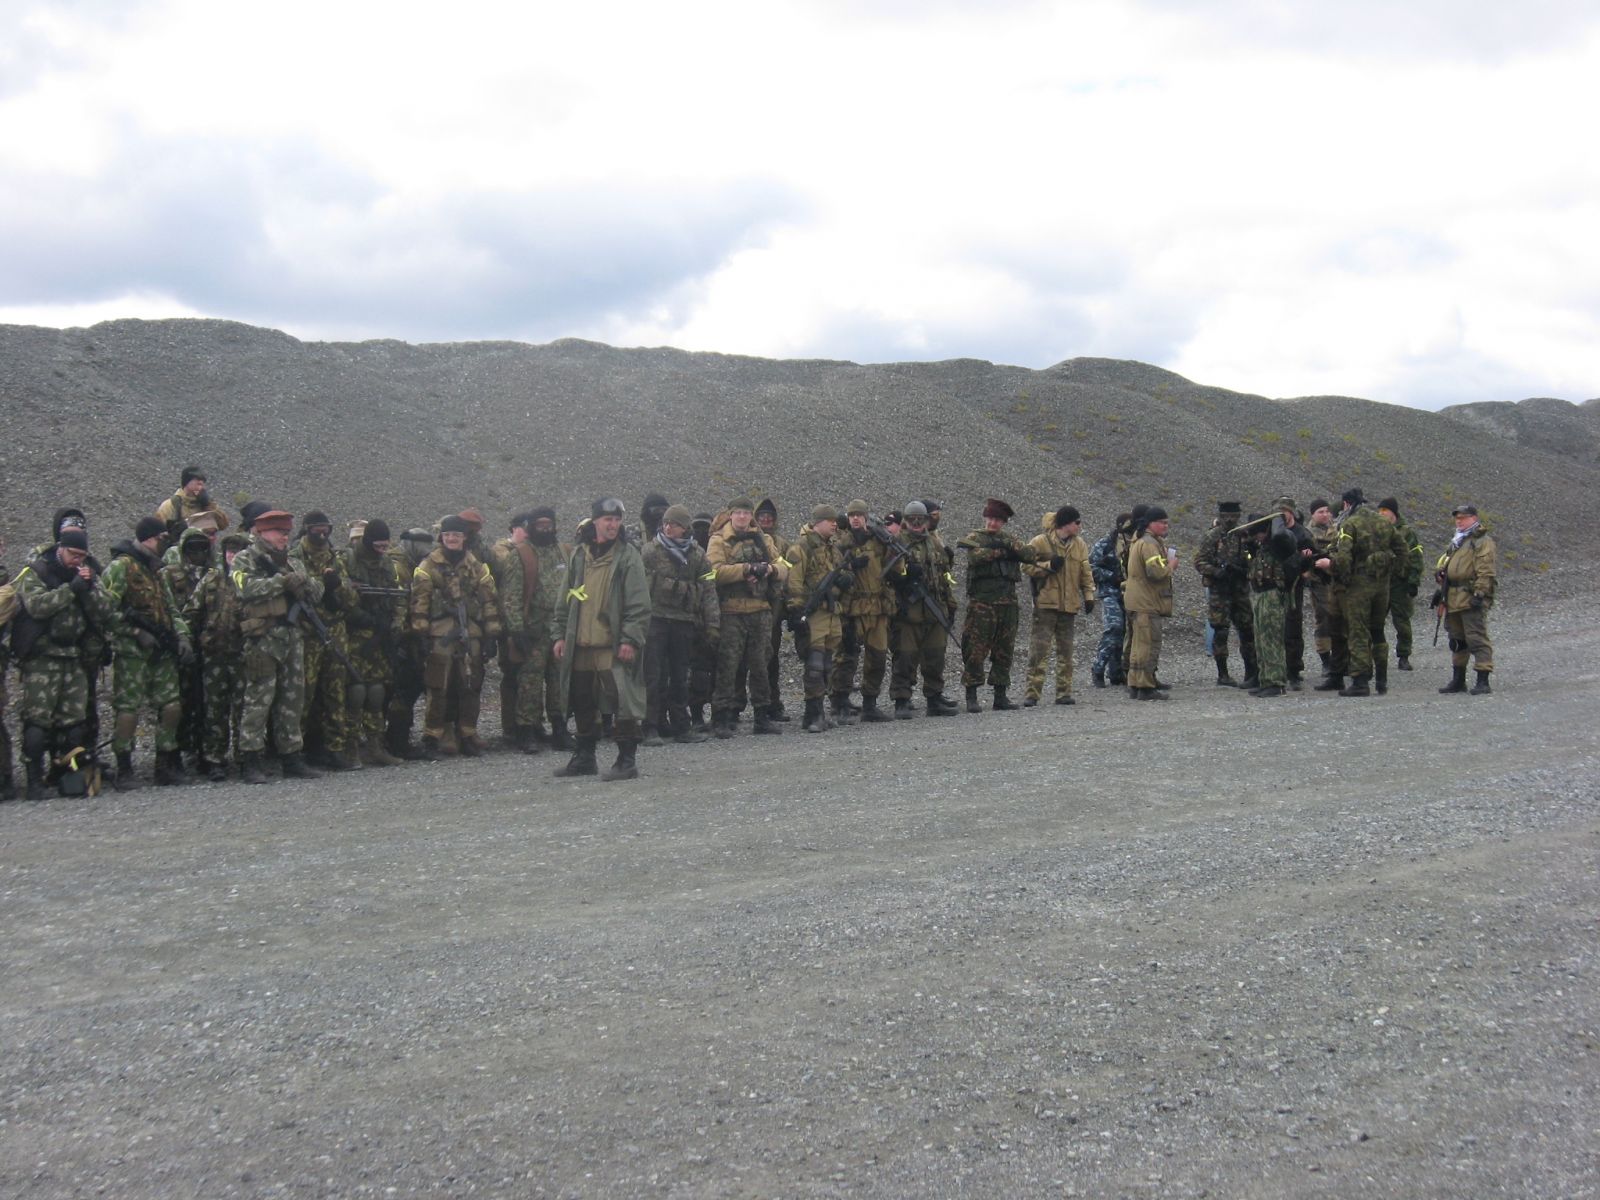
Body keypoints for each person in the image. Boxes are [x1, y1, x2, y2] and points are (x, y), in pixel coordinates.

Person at [551, 497, 651, 780]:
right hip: (581, 644)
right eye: (608, 519)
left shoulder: (628, 556)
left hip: (612, 644)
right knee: (582, 699)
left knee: (623, 701)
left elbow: (639, 603)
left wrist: (630, 639)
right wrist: (559, 635)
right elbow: (565, 598)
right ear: (595, 521)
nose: (613, 525)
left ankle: (626, 760)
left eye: (617, 520)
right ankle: (584, 757)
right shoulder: (579, 555)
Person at [10, 529, 112, 800]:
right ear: (60, 549)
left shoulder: (86, 574)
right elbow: (37, 606)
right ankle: (34, 782)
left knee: (74, 721)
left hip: (73, 656)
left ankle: (68, 778)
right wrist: (71, 589)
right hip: (42, 659)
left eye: (82, 556)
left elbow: (106, 610)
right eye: (73, 555)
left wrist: (88, 589)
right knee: (37, 720)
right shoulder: (37, 572)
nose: (77, 561)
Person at [230, 509, 324, 784]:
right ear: (262, 532)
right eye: (279, 532)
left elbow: (317, 592)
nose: (284, 537)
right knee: (258, 699)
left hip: (292, 636)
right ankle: (250, 758)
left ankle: (291, 755)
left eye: (286, 533)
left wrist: (304, 583)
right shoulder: (245, 559)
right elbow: (244, 587)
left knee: (293, 698)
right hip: (263, 638)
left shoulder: (293, 561)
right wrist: (281, 582)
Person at [100, 516, 192, 789]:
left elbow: (170, 609)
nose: (165, 543)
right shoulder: (121, 567)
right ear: (149, 538)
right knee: (128, 709)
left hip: (162, 651)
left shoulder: (156, 571)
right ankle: (124, 766)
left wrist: (181, 635)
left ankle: (164, 763)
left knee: (171, 706)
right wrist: (135, 632)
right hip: (132, 653)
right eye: (162, 538)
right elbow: (104, 609)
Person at [409, 514, 502, 757]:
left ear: (464, 538)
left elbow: (489, 601)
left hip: (470, 632)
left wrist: (492, 635)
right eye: (448, 535)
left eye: (457, 535)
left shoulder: (476, 566)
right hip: (440, 633)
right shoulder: (428, 565)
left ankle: (467, 733)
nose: (452, 539)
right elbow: (420, 602)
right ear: (441, 537)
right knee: (438, 685)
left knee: (471, 684)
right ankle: (432, 735)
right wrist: (420, 634)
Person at [706, 498, 789, 738]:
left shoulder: (764, 539)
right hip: (731, 611)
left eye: (746, 513)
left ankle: (762, 715)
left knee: (761, 664)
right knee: (728, 665)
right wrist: (746, 570)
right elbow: (713, 572)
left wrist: (769, 570)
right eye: (738, 513)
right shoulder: (719, 540)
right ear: (731, 515)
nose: (742, 517)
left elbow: (784, 567)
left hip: (760, 610)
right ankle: (721, 716)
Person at [641, 504, 719, 744]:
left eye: (673, 524)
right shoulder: (650, 552)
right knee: (653, 675)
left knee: (679, 675)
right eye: (666, 523)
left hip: (684, 621)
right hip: (656, 620)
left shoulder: (697, 555)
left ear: (685, 528)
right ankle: (650, 725)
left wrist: (712, 624)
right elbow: (638, 588)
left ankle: (681, 726)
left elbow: (708, 591)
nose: (668, 527)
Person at [290, 510, 362, 769]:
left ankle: (335, 748)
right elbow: (304, 591)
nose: (322, 534)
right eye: (317, 529)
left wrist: (337, 587)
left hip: (334, 630)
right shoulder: (295, 557)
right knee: (304, 694)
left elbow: (352, 599)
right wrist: (323, 584)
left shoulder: (335, 557)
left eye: (326, 529)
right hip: (308, 632)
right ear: (306, 529)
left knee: (336, 691)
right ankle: (296, 750)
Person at [957, 498, 1042, 712]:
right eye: (991, 518)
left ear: (1003, 523)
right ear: (985, 518)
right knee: (975, 649)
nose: (993, 523)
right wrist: (1001, 552)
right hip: (982, 604)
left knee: (1005, 650)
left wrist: (1009, 546)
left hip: (1007, 603)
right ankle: (972, 695)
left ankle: (1000, 695)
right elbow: (975, 557)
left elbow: (1030, 554)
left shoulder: (1008, 539)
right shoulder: (975, 537)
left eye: (998, 520)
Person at [183, 530, 251, 781]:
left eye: (237, 551)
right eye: (229, 552)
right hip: (214, 654)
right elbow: (191, 611)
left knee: (244, 708)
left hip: (243, 654)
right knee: (214, 709)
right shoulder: (211, 579)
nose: (232, 556)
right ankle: (215, 759)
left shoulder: (251, 580)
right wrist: (187, 640)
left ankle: (245, 758)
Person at [886, 501, 960, 718]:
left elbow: (944, 577)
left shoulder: (934, 543)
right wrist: (905, 575)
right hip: (908, 611)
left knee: (935, 655)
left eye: (921, 520)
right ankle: (902, 700)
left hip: (934, 609)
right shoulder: (897, 543)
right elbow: (888, 574)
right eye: (912, 520)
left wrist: (950, 605)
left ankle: (934, 698)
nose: (917, 523)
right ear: (905, 521)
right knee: (905, 657)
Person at [1328, 487, 1403, 697]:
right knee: (1378, 630)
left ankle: (1360, 681)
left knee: (1358, 630)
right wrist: (1392, 574)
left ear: (1346, 504)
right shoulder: (1383, 522)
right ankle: (1382, 680)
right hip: (1382, 585)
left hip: (1359, 586)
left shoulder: (1350, 524)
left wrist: (1342, 578)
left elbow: (1344, 557)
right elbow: (1402, 549)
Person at [343, 519, 406, 766]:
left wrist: (394, 623)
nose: (382, 550)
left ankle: (375, 745)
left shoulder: (387, 564)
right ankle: (350, 747)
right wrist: (362, 616)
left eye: (385, 546)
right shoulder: (348, 560)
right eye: (378, 546)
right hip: (355, 635)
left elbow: (397, 596)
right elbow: (341, 595)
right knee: (355, 691)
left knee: (377, 691)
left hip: (380, 635)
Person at [785, 505, 852, 733]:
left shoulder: (833, 549)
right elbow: (794, 582)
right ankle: (813, 714)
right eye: (829, 520)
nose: (834, 524)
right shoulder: (802, 547)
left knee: (826, 664)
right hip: (813, 613)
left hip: (832, 612)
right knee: (814, 665)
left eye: (835, 521)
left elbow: (844, 571)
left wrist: (845, 579)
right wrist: (796, 611)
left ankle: (818, 713)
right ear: (817, 523)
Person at [1023, 505, 1095, 706]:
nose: (1080, 526)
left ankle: (1064, 693)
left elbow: (1085, 572)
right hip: (1045, 605)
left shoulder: (1080, 545)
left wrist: (1089, 596)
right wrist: (1048, 566)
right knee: (1039, 651)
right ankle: (1032, 694)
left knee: (1066, 652)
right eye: (1077, 522)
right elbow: (1025, 565)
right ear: (1066, 524)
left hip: (1069, 606)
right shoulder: (1040, 542)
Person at [830, 500, 893, 724]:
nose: (855, 518)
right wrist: (850, 566)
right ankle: (839, 702)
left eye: (859, 515)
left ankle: (870, 704)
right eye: (851, 515)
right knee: (846, 656)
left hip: (877, 607)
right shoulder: (841, 542)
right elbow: (831, 571)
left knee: (877, 656)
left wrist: (891, 542)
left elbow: (893, 566)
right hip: (852, 608)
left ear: (866, 517)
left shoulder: (878, 540)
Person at [1434, 504, 1497, 695]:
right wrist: (1442, 580)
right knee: (1457, 640)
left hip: (1470, 596)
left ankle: (1483, 680)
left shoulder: (1481, 541)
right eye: (1457, 518)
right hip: (1453, 597)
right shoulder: (1458, 541)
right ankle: (1458, 680)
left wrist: (1479, 594)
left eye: (1463, 517)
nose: (1459, 521)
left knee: (1476, 637)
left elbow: (1486, 571)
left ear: (1474, 519)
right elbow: (1448, 565)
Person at [1193, 501, 1257, 688]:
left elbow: (1254, 558)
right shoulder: (1212, 536)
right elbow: (1200, 562)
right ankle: (1223, 674)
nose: (1229, 520)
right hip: (1219, 591)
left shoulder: (1244, 535)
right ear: (1220, 516)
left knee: (1247, 630)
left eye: (1233, 516)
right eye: (1226, 516)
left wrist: (1244, 568)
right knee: (1221, 630)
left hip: (1240, 590)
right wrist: (1216, 571)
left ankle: (1251, 672)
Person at [384, 527, 434, 759]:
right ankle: (397, 742)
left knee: (409, 686)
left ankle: (399, 739)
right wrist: (403, 636)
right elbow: (399, 605)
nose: (427, 551)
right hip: (399, 637)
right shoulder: (397, 567)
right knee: (402, 689)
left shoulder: (411, 565)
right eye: (422, 546)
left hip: (409, 635)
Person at [1123, 508, 1177, 700]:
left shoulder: (1140, 541)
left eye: (1167, 522)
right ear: (1150, 523)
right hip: (1146, 602)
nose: (1165, 526)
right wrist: (1171, 566)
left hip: (1138, 601)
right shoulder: (1149, 543)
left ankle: (1135, 683)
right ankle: (1145, 687)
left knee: (1138, 645)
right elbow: (1155, 572)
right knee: (1148, 644)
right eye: (1162, 522)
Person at [753, 498, 792, 723]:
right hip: (751, 608)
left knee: (772, 658)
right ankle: (735, 707)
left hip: (775, 609)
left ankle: (773, 703)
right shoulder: (750, 540)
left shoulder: (782, 544)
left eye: (769, 517)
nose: (766, 520)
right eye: (762, 516)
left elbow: (790, 574)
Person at [1378, 498, 1424, 670]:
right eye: (1380, 511)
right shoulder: (1377, 530)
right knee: (1375, 621)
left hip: (1400, 583)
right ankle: (1376, 655)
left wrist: (1413, 582)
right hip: (1380, 583)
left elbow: (1416, 558)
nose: (1382, 514)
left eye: (1385, 510)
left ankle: (1404, 656)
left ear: (1394, 512)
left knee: (1402, 622)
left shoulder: (1406, 532)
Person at [1088, 513, 1130, 689]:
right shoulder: (1105, 545)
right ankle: (1098, 668)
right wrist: (1112, 576)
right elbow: (1090, 568)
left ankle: (1116, 672)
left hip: (1128, 593)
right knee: (1114, 627)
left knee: (1124, 632)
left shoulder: (1134, 544)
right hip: (1109, 592)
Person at [155, 466, 229, 543]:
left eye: (202, 481)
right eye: (196, 480)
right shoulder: (170, 505)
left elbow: (223, 525)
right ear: (186, 482)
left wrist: (209, 506)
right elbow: (159, 535)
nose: (200, 483)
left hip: (204, 547)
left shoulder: (207, 504)